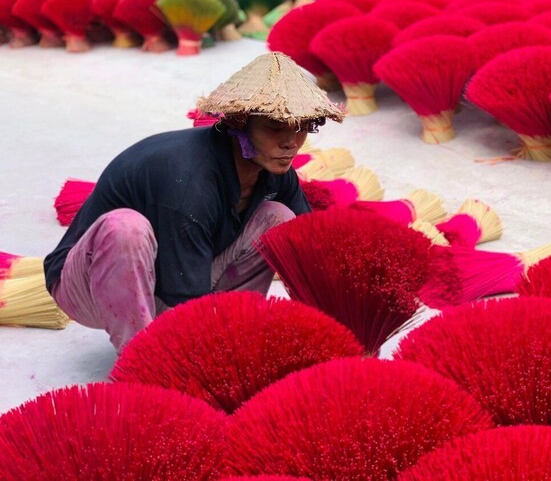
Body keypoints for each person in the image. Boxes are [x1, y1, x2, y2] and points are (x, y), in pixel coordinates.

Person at [43, 52, 345, 351]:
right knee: (126, 228)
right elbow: (186, 304)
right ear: (240, 123)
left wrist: (334, 332)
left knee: (278, 218)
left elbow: (309, 250)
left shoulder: (275, 170)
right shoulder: (191, 180)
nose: (291, 142)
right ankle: (140, 360)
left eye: (302, 127)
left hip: (175, 276)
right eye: (275, 127)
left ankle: (238, 333)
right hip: (89, 284)